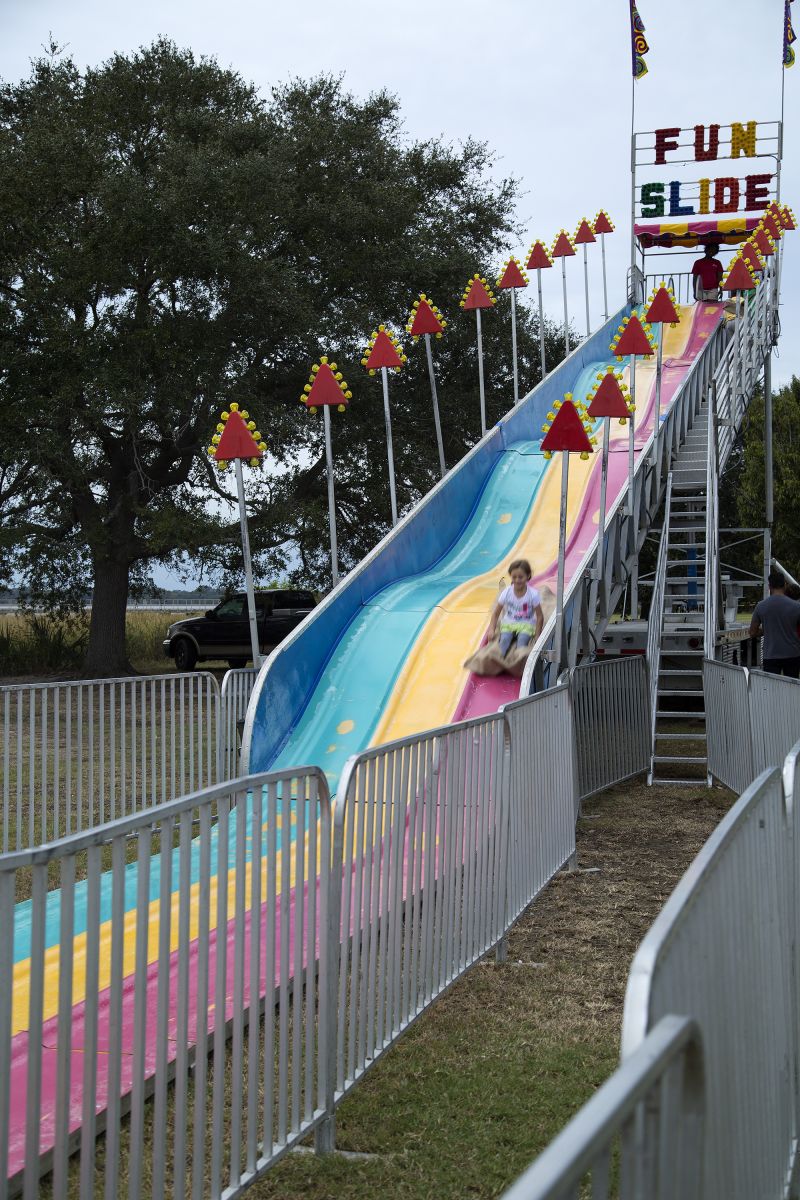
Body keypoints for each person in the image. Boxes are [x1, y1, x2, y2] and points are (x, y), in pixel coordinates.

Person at [749, 570, 800, 678]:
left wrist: (766, 630)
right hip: (792, 653)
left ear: (769, 586)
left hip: (770, 654)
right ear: (785, 585)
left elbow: (752, 632)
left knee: (771, 690)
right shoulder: (796, 606)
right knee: (792, 687)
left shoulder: (761, 606)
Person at [488, 559, 544, 657]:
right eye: (514, 577)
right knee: (504, 641)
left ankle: (517, 663)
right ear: (511, 576)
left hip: (526, 624)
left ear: (528, 576)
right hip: (509, 623)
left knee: (522, 642)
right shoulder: (507, 592)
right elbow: (496, 613)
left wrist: (537, 635)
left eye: (521, 577)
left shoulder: (533, 594)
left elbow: (540, 616)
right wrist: (491, 629)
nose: (517, 580)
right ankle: (499, 661)